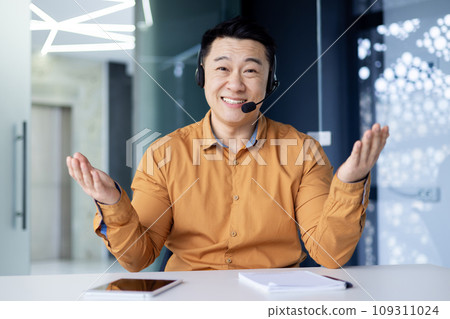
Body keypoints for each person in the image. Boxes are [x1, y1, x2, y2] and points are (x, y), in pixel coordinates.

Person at [66, 16, 389, 272]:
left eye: (250, 71)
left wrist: (349, 182)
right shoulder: (164, 154)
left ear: (270, 82)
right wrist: (112, 203)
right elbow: (137, 258)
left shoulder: (303, 151)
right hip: (191, 302)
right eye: (222, 68)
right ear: (202, 76)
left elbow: (330, 254)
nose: (235, 84)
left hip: (274, 303)